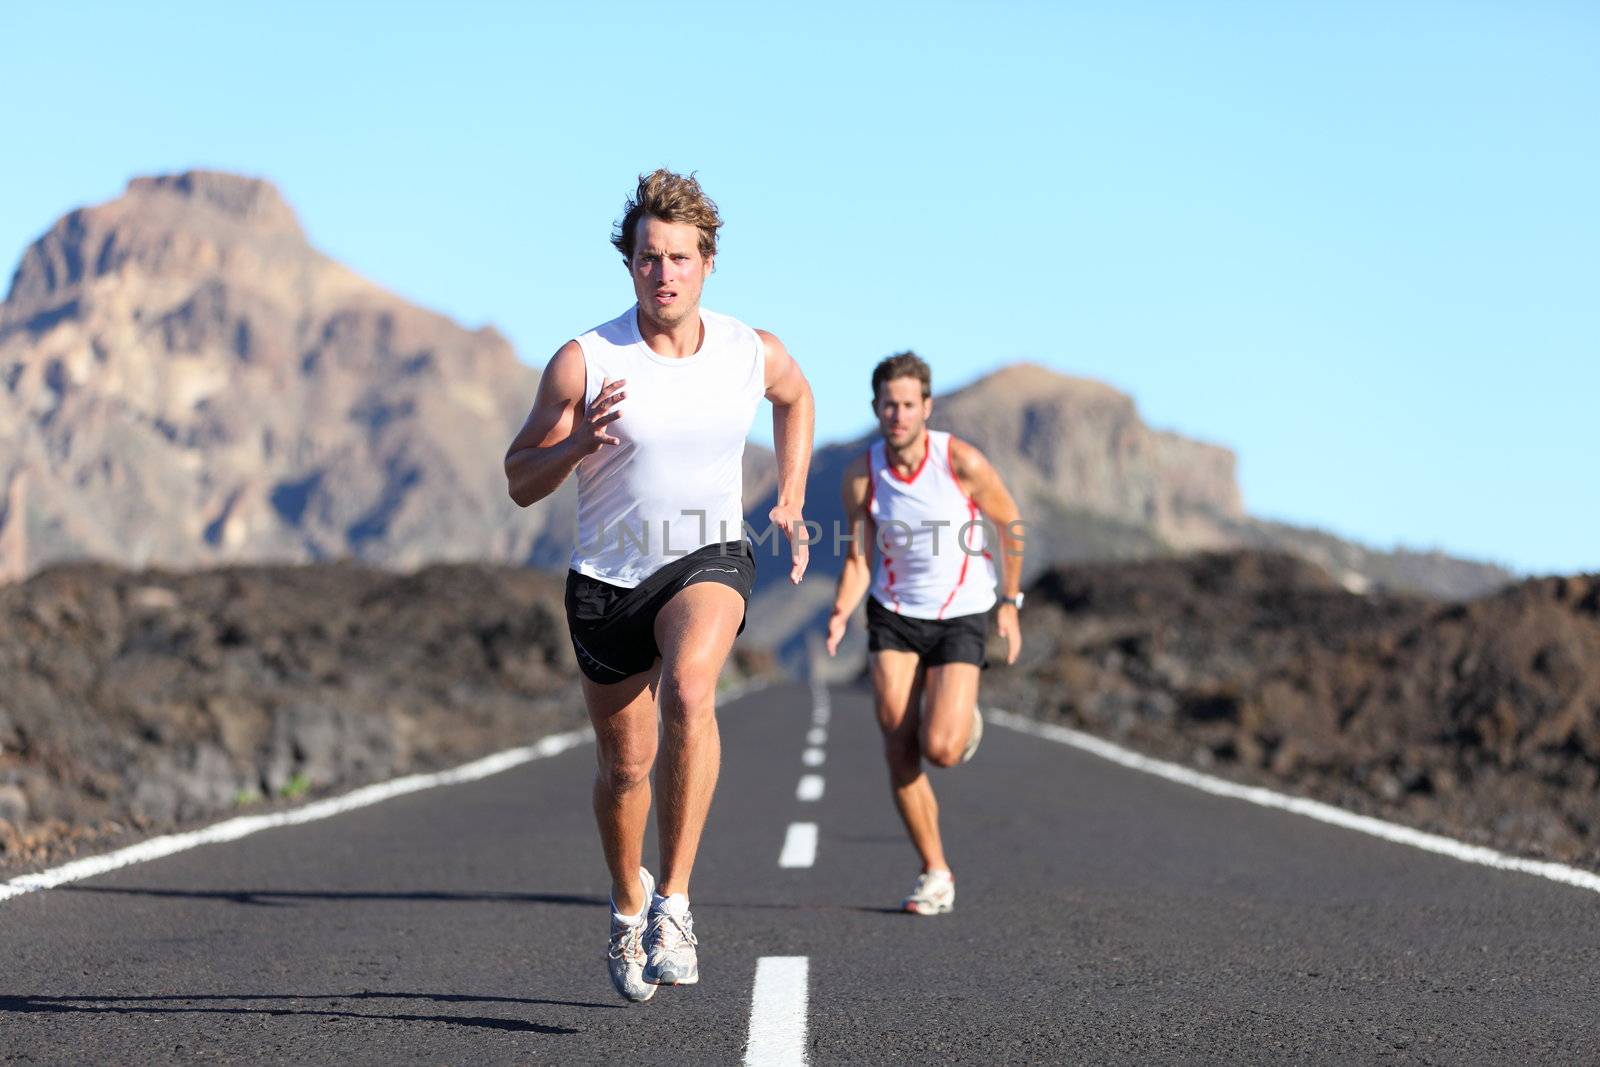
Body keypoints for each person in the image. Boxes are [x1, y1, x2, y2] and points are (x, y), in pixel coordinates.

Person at [505, 170, 813, 1002]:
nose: (664, 273)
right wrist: (574, 449)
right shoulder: (587, 360)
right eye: (649, 258)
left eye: (679, 257)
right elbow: (518, 477)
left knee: (689, 689)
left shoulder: (750, 350)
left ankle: (674, 899)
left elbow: (797, 395)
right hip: (607, 581)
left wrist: (787, 493)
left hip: (706, 556)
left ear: (708, 263)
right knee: (625, 768)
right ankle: (627, 898)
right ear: (630, 264)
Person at [824, 352, 1023, 915]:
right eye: (889, 404)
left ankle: (959, 725)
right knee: (896, 737)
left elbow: (1009, 523)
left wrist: (1009, 602)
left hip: (962, 611)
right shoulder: (863, 474)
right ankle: (934, 871)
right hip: (894, 612)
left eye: (910, 404)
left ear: (926, 408)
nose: (899, 413)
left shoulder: (960, 462)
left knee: (940, 747)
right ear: (876, 408)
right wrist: (842, 609)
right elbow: (860, 553)